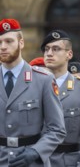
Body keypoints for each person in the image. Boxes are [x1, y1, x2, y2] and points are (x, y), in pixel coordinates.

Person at [0, 18, 66, 167]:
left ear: (21, 43)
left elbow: (57, 129)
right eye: (0, 42)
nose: (3, 47)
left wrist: (36, 151)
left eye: (9, 41)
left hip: (31, 162)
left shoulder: (42, 80)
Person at [42, 29, 80, 167]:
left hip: (68, 161)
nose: (49, 53)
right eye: (46, 50)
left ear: (69, 54)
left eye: (56, 49)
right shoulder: (33, 85)